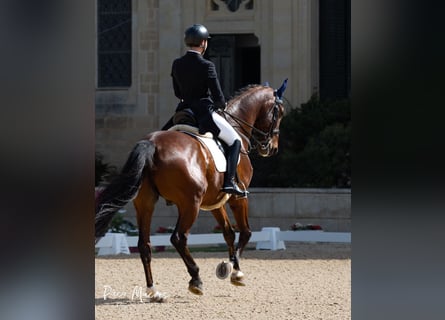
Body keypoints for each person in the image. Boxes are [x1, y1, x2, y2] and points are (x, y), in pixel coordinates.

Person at [163, 24, 247, 197]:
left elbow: (178, 92)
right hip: (203, 112)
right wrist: (221, 104)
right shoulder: (207, 65)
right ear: (203, 43)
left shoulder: (177, 63)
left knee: (162, 137)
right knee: (236, 141)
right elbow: (218, 95)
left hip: (183, 111)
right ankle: (229, 182)